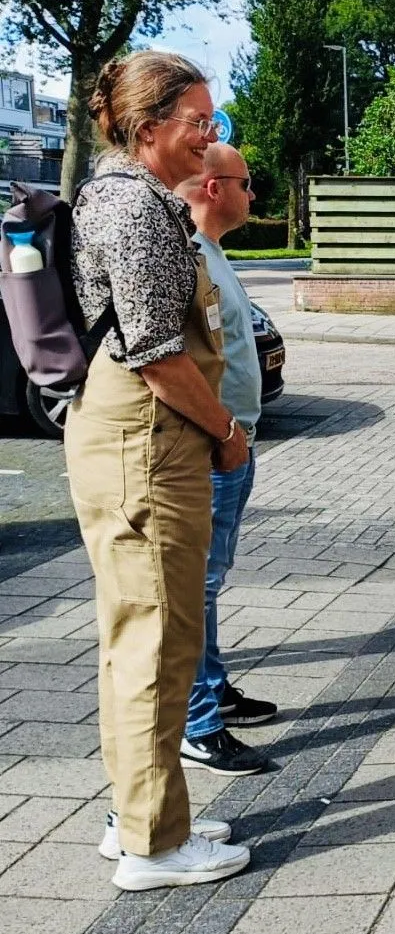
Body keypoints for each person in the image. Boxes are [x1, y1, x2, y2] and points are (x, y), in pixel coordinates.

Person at [70, 52, 251, 891]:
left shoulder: (119, 195)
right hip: (149, 438)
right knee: (157, 641)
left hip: (131, 435)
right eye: (197, 123)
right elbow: (155, 353)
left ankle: (141, 814)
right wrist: (225, 433)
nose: (209, 137)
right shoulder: (137, 209)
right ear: (147, 131)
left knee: (139, 637)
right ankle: (153, 845)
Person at [147, 141, 277, 787]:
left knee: (211, 582)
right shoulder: (188, 254)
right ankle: (200, 726)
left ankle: (215, 687)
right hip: (213, 448)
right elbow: (171, 360)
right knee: (197, 587)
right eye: (247, 183)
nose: (253, 195)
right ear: (213, 186)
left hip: (234, 443)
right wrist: (224, 433)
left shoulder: (213, 252)